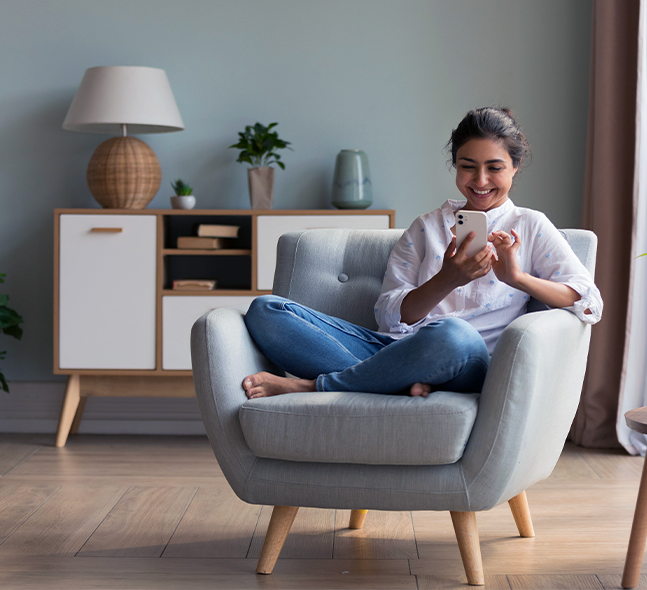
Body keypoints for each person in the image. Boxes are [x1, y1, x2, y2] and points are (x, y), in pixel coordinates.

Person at [242, 107, 603, 399]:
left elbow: (588, 302)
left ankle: (314, 387)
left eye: (494, 168)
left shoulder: (531, 225)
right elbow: (389, 318)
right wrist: (448, 280)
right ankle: (395, 383)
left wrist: (518, 279)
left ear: (515, 167)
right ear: (455, 165)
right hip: (394, 350)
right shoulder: (426, 227)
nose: (480, 181)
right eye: (467, 167)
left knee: (451, 334)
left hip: (465, 359)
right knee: (267, 310)